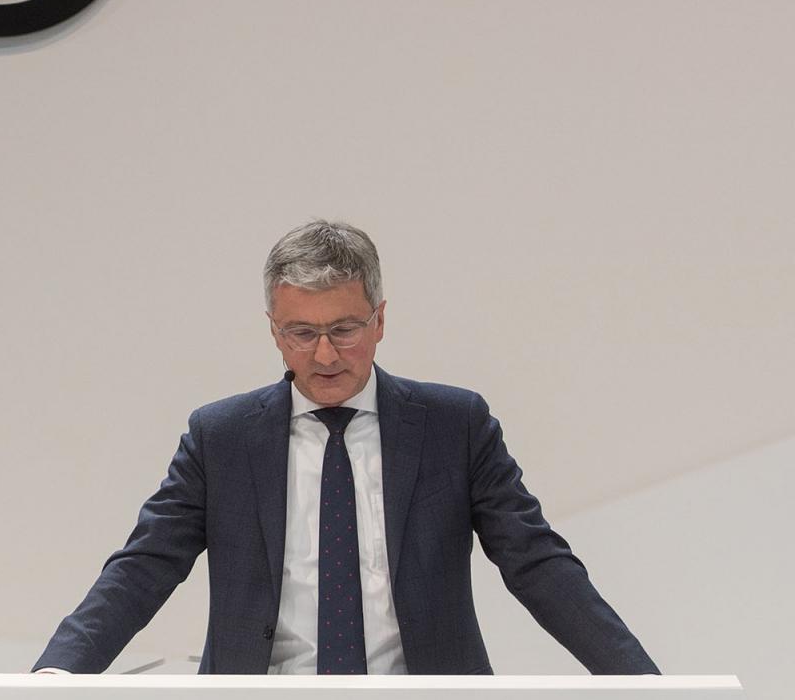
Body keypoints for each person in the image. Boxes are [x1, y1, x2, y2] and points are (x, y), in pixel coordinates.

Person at [33, 220, 658, 676]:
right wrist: (55, 675)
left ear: (379, 320)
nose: (325, 354)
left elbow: (536, 562)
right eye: (301, 333)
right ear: (273, 331)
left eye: (344, 329)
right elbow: (143, 567)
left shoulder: (454, 426)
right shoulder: (222, 438)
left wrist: (641, 683)